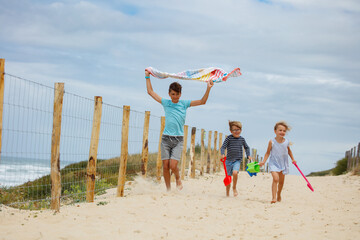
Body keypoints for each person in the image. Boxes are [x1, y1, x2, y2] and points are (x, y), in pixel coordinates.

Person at [145, 70, 214, 191]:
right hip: (166, 139)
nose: (175, 97)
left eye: (177, 94)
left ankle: (178, 178)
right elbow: (150, 92)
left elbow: (203, 101)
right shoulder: (166, 103)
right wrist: (147, 76)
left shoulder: (184, 104)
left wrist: (208, 88)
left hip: (178, 140)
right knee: (165, 166)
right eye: (172, 94)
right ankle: (168, 190)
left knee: (173, 165)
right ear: (169, 94)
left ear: (180, 94)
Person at [259, 121, 296, 204]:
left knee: (281, 182)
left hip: (283, 163)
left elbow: (289, 151)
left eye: (284, 131)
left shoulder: (286, 142)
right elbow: (268, 152)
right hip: (273, 163)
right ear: (275, 131)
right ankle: (274, 197)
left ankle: (279, 193)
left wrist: (293, 159)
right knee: (276, 179)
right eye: (280, 130)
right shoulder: (271, 142)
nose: (282, 132)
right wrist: (264, 161)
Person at [220, 121, 251, 197]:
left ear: (241, 130)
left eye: (238, 129)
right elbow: (223, 146)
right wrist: (222, 153)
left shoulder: (242, 139)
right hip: (228, 161)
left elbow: (247, 147)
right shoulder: (229, 138)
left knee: (235, 173)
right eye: (234, 130)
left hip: (237, 160)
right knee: (228, 178)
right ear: (231, 131)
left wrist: (248, 155)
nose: (236, 131)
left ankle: (234, 188)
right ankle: (227, 193)